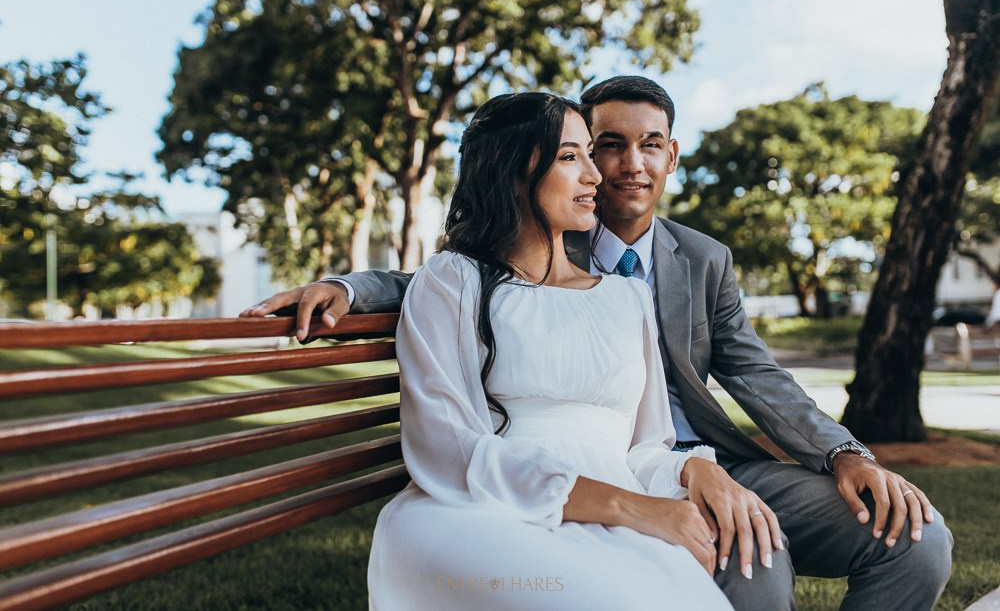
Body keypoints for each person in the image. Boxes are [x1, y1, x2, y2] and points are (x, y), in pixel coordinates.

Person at [242, 77, 953, 610]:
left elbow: (762, 379)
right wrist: (347, 285)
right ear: (539, 162)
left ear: (671, 155)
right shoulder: (503, 257)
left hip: (689, 467)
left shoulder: (698, 263)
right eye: (598, 148)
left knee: (917, 540)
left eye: (647, 145)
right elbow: (447, 281)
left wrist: (843, 453)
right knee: (752, 567)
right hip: (571, 484)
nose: (619, 167)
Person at [370, 91, 737, 608]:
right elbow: (448, 449)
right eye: (571, 156)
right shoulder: (454, 280)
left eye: (590, 153)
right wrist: (630, 508)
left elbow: (645, 446)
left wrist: (689, 471)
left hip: (618, 510)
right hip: (480, 509)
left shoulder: (627, 297)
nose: (595, 175)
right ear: (515, 170)